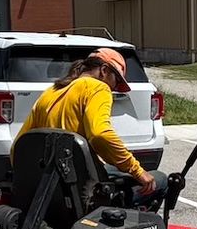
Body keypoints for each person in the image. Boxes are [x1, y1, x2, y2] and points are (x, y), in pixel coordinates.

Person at [13, 48, 159, 197]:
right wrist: (137, 170)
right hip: (82, 187)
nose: (115, 88)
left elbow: (18, 147)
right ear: (104, 70)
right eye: (117, 80)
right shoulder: (98, 88)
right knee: (159, 181)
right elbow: (100, 135)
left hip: (50, 191)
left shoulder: (49, 93)